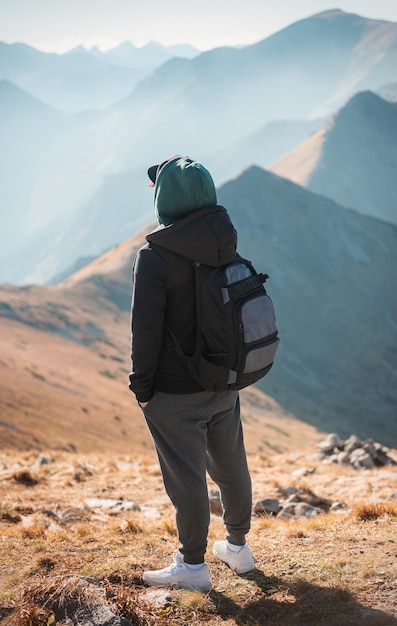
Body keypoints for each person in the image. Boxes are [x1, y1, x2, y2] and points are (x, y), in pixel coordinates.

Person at [129, 155, 254, 592]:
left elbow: (144, 330)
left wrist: (141, 389)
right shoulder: (225, 241)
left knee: (186, 480)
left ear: (167, 199)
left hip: (174, 392)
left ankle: (192, 565)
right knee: (231, 467)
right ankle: (238, 548)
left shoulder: (155, 255)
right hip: (224, 382)